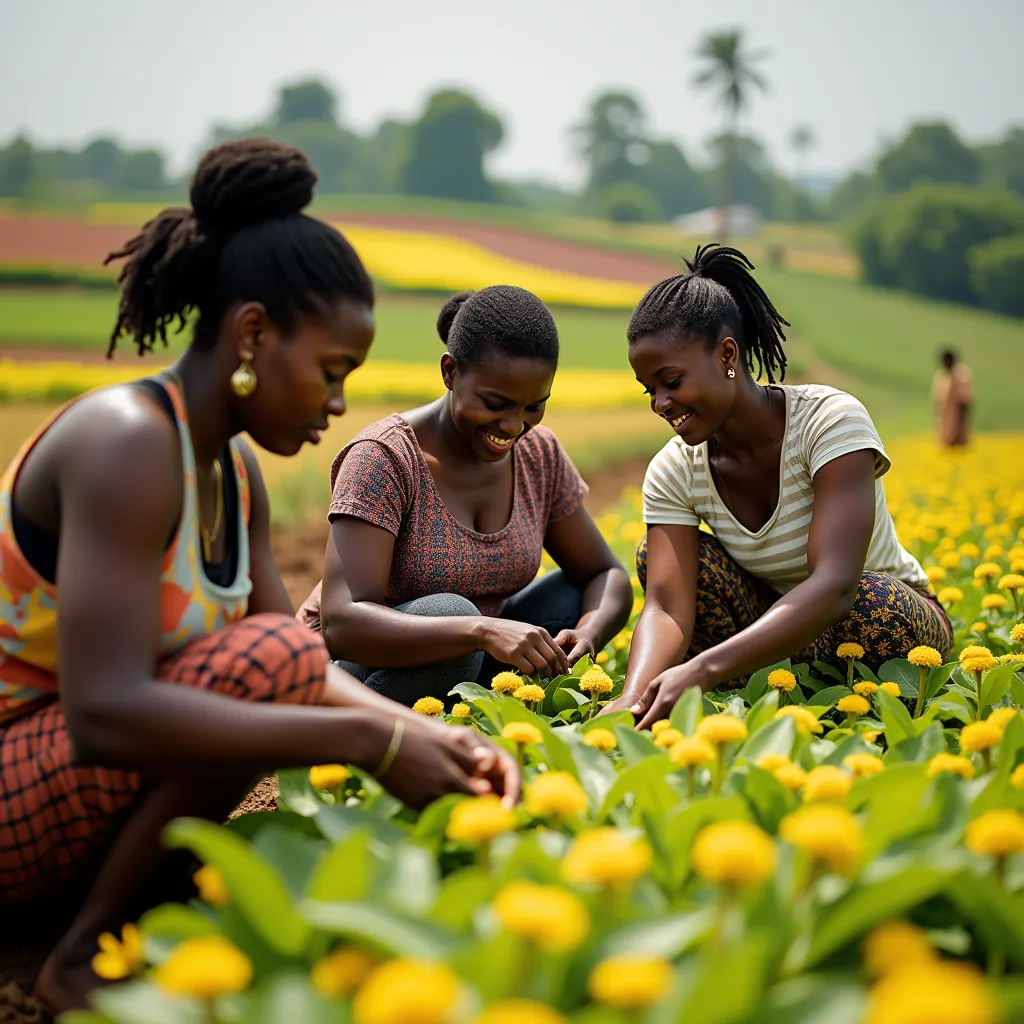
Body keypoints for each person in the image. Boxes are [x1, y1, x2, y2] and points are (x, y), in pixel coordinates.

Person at [0, 139, 516, 1013]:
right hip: (20, 786)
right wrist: (370, 744)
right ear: (251, 333)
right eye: (329, 371)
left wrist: (430, 739)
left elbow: (308, 675)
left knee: (276, 660)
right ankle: (78, 957)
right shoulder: (129, 442)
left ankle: (132, 918)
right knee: (265, 659)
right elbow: (105, 710)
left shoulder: (229, 474)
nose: (339, 404)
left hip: (65, 807)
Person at [606, 244, 952, 728]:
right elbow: (666, 607)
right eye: (650, 389)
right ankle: (768, 689)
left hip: (876, 615)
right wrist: (633, 697)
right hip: (774, 633)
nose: (661, 403)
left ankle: (760, 686)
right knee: (664, 558)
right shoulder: (673, 469)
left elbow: (835, 586)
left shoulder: (829, 421)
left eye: (672, 381)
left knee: (873, 605)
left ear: (728, 354)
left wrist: (703, 668)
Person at [297, 287, 633, 705]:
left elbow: (607, 574)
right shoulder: (385, 458)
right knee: (452, 616)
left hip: (467, 660)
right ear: (450, 372)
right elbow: (342, 625)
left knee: (568, 596)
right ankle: (349, 736)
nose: (513, 426)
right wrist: (479, 631)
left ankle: (478, 709)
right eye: (496, 403)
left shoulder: (538, 455)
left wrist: (588, 631)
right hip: (347, 676)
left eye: (533, 406)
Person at [932, 348, 973, 447]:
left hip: (957, 422)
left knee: (958, 448)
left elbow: (965, 401)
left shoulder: (961, 374)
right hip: (945, 421)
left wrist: (959, 427)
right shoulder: (942, 375)